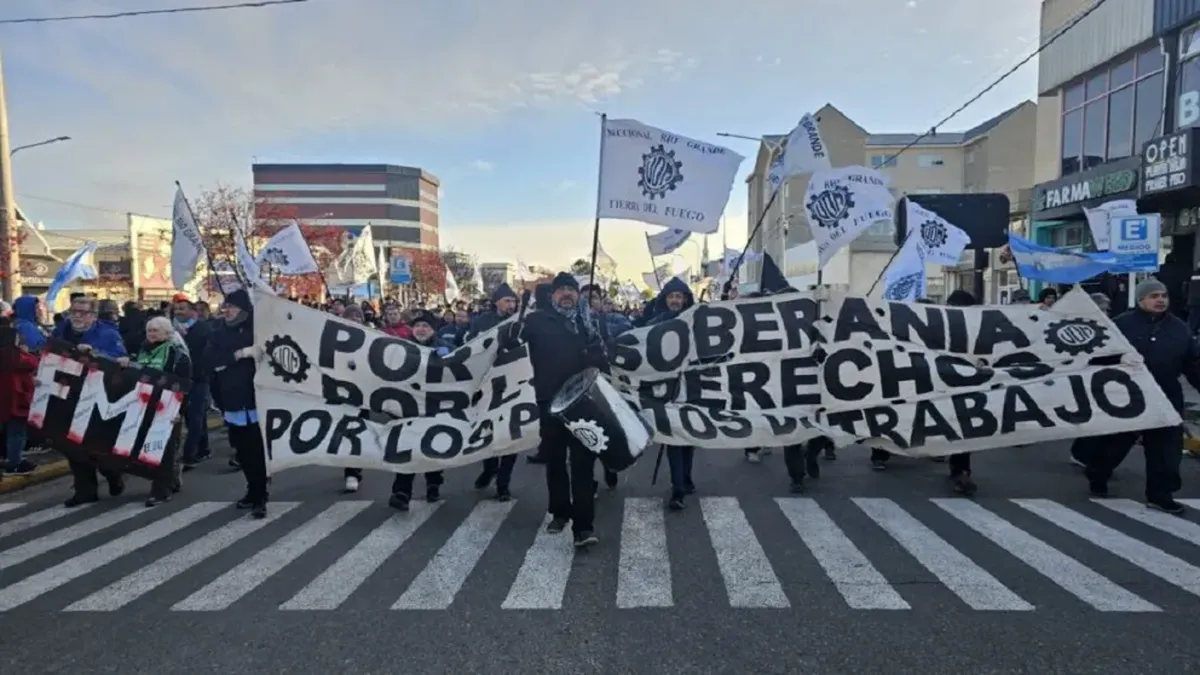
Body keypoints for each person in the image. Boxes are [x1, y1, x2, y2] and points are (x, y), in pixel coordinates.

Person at [1082, 279, 1200, 514]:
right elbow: (1098, 357)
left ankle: (1161, 494)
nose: (1160, 300)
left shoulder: (1179, 329)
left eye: (1163, 296)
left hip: (1165, 396)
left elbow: (1192, 363)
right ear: (1140, 300)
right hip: (1126, 397)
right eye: (1153, 296)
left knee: (1167, 450)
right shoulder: (1121, 325)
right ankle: (1098, 473)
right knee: (1113, 444)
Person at [521, 272, 608, 547]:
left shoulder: (589, 323)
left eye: (572, 290)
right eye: (562, 290)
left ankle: (584, 527)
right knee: (555, 462)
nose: (567, 294)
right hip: (549, 402)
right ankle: (559, 512)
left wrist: (591, 349)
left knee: (583, 465)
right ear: (553, 295)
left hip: (583, 403)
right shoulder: (536, 321)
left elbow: (604, 362)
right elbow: (516, 348)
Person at [55, 297, 129, 507]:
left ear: (94, 315)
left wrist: (94, 354)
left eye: (83, 312)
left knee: (98, 445)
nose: (77, 316)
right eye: (74, 311)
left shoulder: (107, 334)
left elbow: (120, 362)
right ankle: (85, 490)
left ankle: (113, 475)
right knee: (72, 446)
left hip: (98, 397)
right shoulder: (60, 331)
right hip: (67, 395)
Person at [206, 289, 269, 519]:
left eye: (232, 307)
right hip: (231, 399)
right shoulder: (218, 332)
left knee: (257, 451)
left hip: (256, 399)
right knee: (242, 451)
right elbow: (212, 362)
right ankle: (252, 490)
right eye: (226, 307)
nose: (227, 311)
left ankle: (260, 495)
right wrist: (238, 355)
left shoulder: (258, 331)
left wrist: (256, 353)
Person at [388, 311, 455, 510]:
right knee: (406, 449)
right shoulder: (401, 348)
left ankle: (433, 482)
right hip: (407, 409)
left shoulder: (446, 348)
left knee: (432, 445)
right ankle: (401, 492)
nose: (421, 329)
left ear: (433, 329)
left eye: (426, 326)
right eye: (417, 326)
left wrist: (449, 360)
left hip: (435, 407)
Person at [125, 316, 192, 506]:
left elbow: (184, 386)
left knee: (163, 448)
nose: (152, 333)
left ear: (167, 333)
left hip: (168, 407)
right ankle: (170, 479)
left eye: (156, 330)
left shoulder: (177, 355)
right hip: (143, 405)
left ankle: (161, 491)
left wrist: (180, 410)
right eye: (149, 330)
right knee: (146, 448)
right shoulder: (141, 350)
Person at [644, 278, 697, 509]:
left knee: (691, 436)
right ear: (665, 299)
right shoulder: (655, 323)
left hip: (693, 388)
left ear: (685, 299)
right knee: (674, 438)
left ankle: (685, 476)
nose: (675, 300)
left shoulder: (697, 321)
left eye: (679, 296)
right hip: (666, 390)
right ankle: (678, 489)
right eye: (671, 296)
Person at [468, 283, 521, 499]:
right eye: (507, 300)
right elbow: (469, 347)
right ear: (497, 302)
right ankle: (490, 468)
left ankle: (503, 482)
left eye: (513, 301)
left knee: (512, 433)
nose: (511, 304)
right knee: (487, 431)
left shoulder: (520, 323)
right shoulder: (482, 323)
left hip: (514, 385)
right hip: (486, 385)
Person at [1, 296, 45, 476]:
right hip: (17, 396)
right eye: (36, 308)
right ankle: (14, 460)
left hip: (11, 395)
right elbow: (35, 355)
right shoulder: (24, 329)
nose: (40, 312)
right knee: (17, 429)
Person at [173, 296, 213, 469]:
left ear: (192, 311)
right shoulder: (170, 330)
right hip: (178, 379)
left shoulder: (203, 328)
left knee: (195, 416)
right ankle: (203, 449)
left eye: (182, 308)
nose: (179, 312)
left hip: (199, 378)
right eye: (176, 309)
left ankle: (190, 454)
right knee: (195, 417)